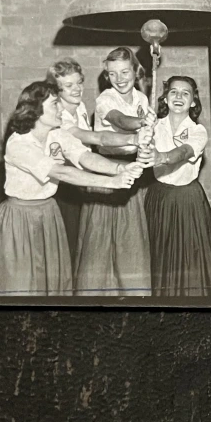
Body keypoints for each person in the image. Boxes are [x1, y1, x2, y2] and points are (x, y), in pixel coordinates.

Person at [0, 81, 142, 297]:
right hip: (19, 220)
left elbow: (85, 157)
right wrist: (112, 182)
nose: (61, 109)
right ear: (35, 110)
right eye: (55, 104)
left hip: (48, 215)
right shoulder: (19, 144)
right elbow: (61, 173)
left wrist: (121, 168)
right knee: (19, 285)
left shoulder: (57, 134)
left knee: (51, 284)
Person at [73, 47, 154, 297]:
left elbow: (143, 139)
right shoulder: (105, 99)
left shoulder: (142, 99)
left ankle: (133, 298)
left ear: (136, 71)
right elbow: (120, 120)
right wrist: (140, 124)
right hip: (106, 176)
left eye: (124, 72)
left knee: (131, 244)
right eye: (112, 74)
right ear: (106, 76)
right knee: (99, 245)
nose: (119, 79)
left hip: (133, 174)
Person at [44, 58, 139, 264]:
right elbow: (97, 138)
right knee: (65, 246)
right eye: (69, 86)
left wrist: (119, 167)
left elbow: (86, 153)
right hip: (62, 186)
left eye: (79, 82)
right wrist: (134, 138)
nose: (77, 89)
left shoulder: (78, 107)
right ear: (56, 89)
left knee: (81, 243)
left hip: (81, 181)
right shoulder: (59, 119)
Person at [141, 75, 211, 297]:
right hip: (159, 198)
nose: (179, 97)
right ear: (165, 99)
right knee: (160, 256)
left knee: (191, 259)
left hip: (188, 201)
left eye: (185, 93)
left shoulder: (198, 131)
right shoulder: (154, 127)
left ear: (193, 102)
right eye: (173, 92)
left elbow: (184, 152)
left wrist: (162, 157)